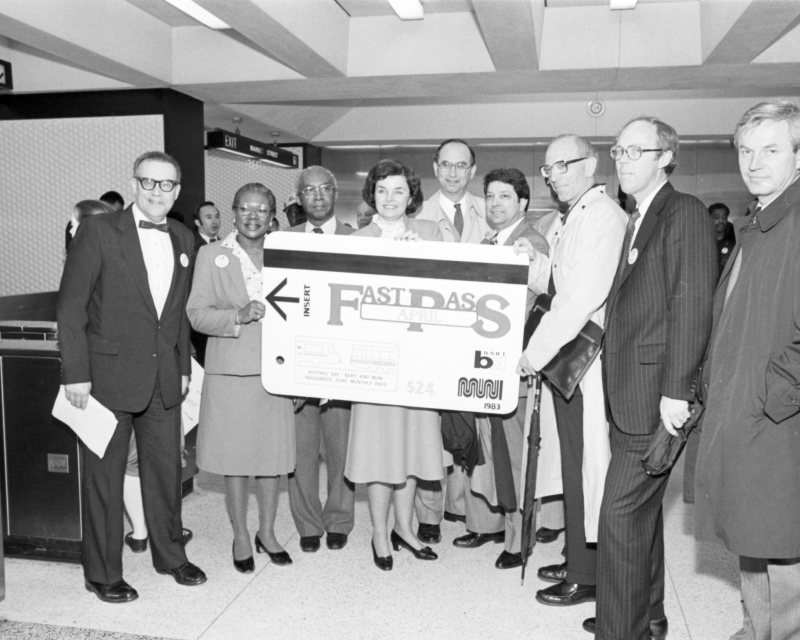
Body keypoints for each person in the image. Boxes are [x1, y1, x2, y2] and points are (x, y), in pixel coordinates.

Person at [585, 117, 717, 639]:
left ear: (666, 156)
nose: (622, 160)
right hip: (629, 391)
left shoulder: (682, 212)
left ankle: (621, 632)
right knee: (638, 517)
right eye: (618, 151)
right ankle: (651, 615)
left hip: (654, 395)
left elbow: (691, 306)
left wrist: (675, 390)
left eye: (635, 151)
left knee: (616, 517)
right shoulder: (638, 215)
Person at [57, 151, 206, 603]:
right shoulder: (99, 231)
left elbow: (177, 315)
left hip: (163, 379)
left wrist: (182, 369)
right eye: (148, 182)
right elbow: (71, 306)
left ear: (177, 191)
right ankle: (102, 574)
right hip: (105, 379)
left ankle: (170, 556)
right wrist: (76, 374)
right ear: (135, 183)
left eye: (166, 185)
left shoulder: (183, 237)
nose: (156, 191)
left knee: (166, 472)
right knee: (104, 479)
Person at [695, 100, 800, 640]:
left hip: (779, 418)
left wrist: (771, 395)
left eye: (772, 149)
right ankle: (756, 629)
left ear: (798, 157)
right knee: (754, 532)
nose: (755, 162)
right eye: (746, 150)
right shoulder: (758, 221)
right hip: (746, 409)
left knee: (784, 542)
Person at [517, 135, 626, 605]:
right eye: (548, 169)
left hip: (585, 362)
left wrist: (532, 355)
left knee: (587, 466)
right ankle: (578, 555)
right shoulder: (574, 216)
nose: (554, 175)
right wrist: (534, 263)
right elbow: (562, 281)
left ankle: (588, 574)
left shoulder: (602, 215)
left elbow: (580, 300)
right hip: (570, 362)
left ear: (592, 164)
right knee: (574, 463)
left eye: (563, 165)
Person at [187, 182, 296, 574]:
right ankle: (240, 536)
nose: (253, 216)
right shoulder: (212, 254)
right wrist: (237, 315)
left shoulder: (286, 253)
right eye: (245, 209)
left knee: (271, 459)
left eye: (262, 209)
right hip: (231, 370)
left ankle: (267, 532)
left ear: (272, 216)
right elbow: (196, 314)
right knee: (235, 461)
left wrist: (301, 375)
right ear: (233, 213)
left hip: (278, 372)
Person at [346, 159, 446, 571]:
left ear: (412, 196)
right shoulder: (356, 239)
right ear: (372, 194)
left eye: (399, 191)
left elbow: (450, 287)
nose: (390, 199)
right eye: (382, 190)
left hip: (420, 359)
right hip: (374, 360)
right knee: (378, 449)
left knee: (413, 447)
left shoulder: (431, 234)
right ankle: (378, 532)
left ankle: (405, 528)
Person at [413, 138, 503, 548]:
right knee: (431, 426)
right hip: (432, 337)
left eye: (461, 165)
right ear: (435, 168)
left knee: (473, 424)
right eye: (446, 164)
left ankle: (470, 508)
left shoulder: (491, 212)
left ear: (472, 171)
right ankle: (429, 514)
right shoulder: (418, 217)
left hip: (480, 336)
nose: (453, 172)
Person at [468, 168, 548, 570]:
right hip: (486, 364)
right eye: (491, 196)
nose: (496, 204)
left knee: (514, 454)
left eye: (505, 197)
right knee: (490, 448)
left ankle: (519, 540)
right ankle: (493, 524)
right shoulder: (488, 240)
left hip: (513, 367)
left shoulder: (529, 244)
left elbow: (538, 301)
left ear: (523, 204)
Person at [285, 166, 356, 554]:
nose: (316, 196)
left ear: (335, 193)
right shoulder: (281, 241)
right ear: (299, 197)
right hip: (298, 363)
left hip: (343, 363)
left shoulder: (356, 240)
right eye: (308, 190)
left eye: (323, 189)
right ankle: (308, 523)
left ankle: (339, 519)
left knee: (342, 447)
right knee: (301, 449)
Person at [708, 202, 736, 273]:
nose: (721, 221)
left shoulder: (734, 241)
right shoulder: (702, 240)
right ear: (708, 218)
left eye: (724, 217)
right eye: (716, 217)